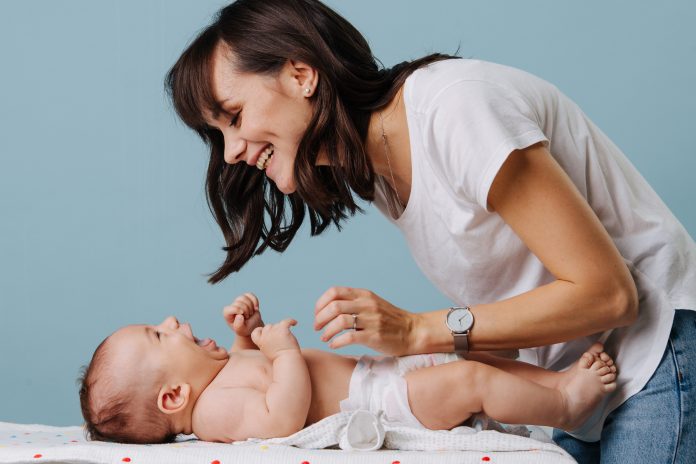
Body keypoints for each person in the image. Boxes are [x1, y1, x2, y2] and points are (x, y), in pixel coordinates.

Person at [164, 0, 696, 461]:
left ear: (301, 75)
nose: (231, 151)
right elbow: (514, 302)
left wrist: (419, 331)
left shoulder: (454, 110)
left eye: (233, 117)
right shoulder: (381, 174)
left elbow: (609, 295)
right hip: (579, 383)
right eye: (218, 134)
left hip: (653, 356)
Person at [79, 293, 617, 444]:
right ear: (173, 398)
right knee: (469, 381)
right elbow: (278, 418)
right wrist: (283, 353)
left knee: (473, 356)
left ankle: (557, 386)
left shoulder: (217, 377)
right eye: (158, 333)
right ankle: (567, 407)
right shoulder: (213, 413)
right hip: (381, 407)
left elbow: (249, 366)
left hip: (378, 375)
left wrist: (249, 331)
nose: (172, 320)